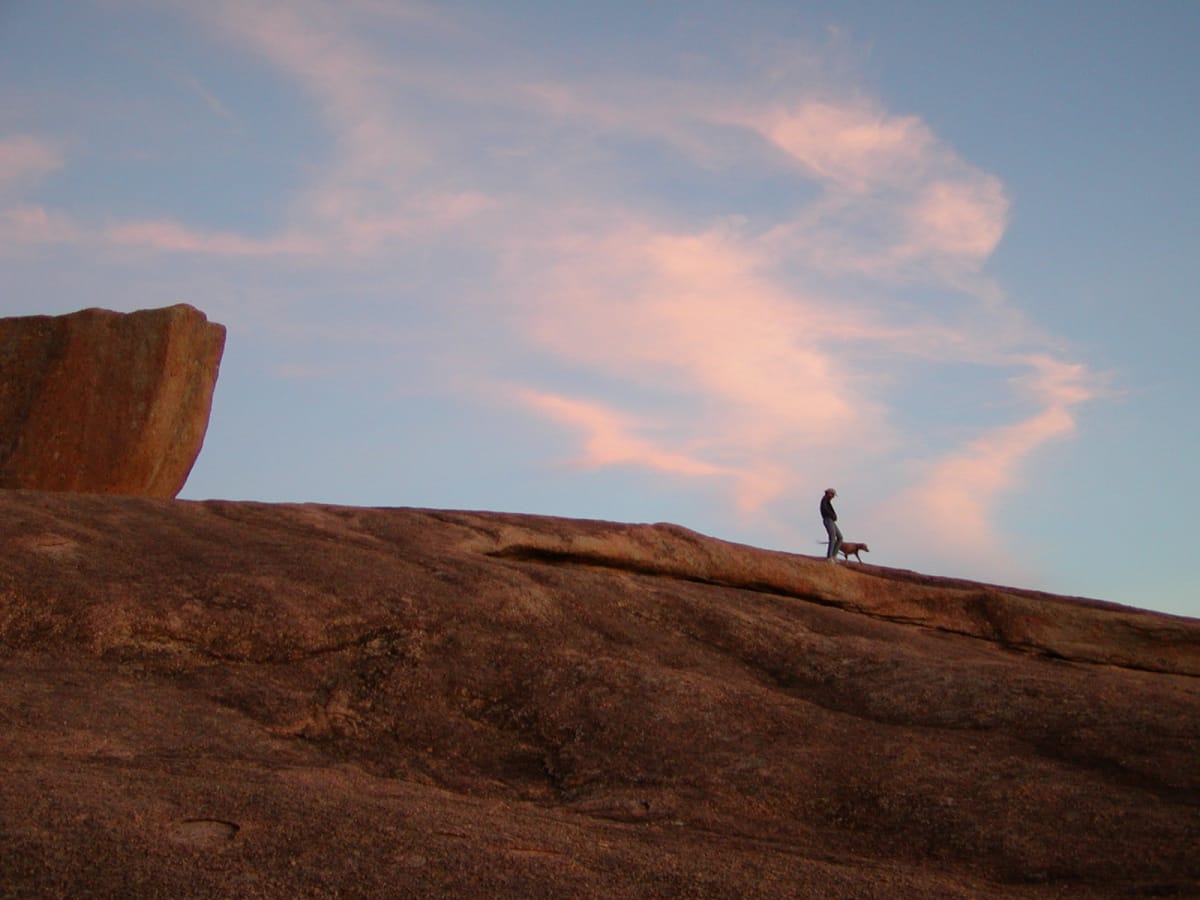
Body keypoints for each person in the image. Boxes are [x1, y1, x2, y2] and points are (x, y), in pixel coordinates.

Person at [820, 488, 843, 562]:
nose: (833, 497)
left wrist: (834, 517)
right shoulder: (824, 501)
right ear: (828, 493)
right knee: (832, 538)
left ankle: (833, 556)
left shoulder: (827, 501)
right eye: (832, 494)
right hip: (828, 520)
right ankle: (829, 557)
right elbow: (826, 511)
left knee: (840, 537)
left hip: (831, 521)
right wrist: (833, 516)